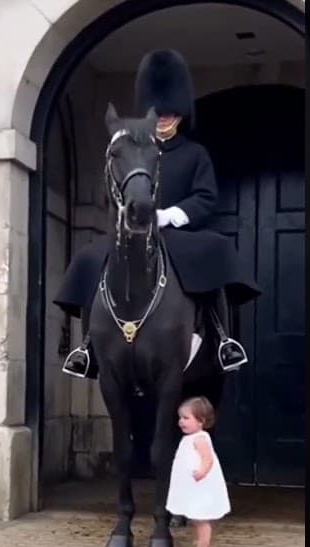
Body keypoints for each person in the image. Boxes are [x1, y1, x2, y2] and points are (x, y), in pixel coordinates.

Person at [56, 48, 249, 379]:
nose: (163, 117)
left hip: (176, 233)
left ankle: (222, 338)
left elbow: (205, 197)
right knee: (89, 259)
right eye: (158, 111)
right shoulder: (133, 148)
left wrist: (169, 215)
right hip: (132, 230)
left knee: (215, 251)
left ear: (181, 114)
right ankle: (88, 346)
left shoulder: (194, 153)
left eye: (170, 111)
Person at [164, 396, 231, 547]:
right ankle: (201, 544)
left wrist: (202, 472)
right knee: (196, 516)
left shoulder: (200, 438)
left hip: (200, 484)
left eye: (186, 418)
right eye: (180, 418)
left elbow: (208, 458)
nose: (181, 421)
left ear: (201, 421)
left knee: (201, 518)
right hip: (193, 485)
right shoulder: (189, 438)